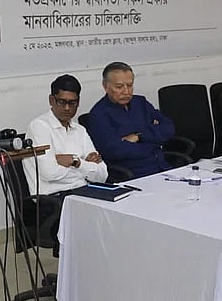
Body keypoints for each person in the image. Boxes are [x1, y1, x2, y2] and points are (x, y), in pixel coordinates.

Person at [22, 75, 108, 239]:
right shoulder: (39, 127)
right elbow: (50, 173)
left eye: (72, 103)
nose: (67, 108)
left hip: (81, 192)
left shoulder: (80, 130)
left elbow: (102, 175)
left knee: (118, 209)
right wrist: (85, 165)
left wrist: (74, 161)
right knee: (98, 223)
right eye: (62, 102)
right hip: (52, 201)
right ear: (51, 100)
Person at [87, 62, 175, 179]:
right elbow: (115, 150)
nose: (126, 92)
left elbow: (169, 127)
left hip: (162, 167)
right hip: (133, 175)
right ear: (105, 86)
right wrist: (154, 142)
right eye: (119, 87)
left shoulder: (140, 103)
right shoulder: (99, 114)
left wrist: (140, 136)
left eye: (129, 85)